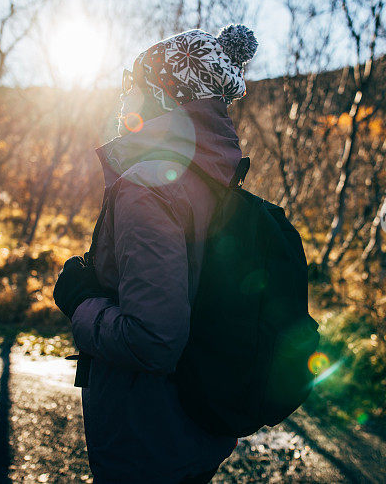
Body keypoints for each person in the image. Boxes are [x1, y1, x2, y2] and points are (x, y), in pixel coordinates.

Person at [53, 24, 258, 484]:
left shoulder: (146, 187)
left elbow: (154, 340)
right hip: (195, 425)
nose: (126, 98)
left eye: (135, 84)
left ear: (164, 95)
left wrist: (79, 302)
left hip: (145, 436)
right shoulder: (213, 174)